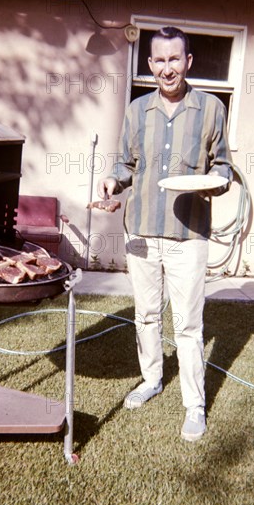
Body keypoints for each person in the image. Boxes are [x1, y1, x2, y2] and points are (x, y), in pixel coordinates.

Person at [98, 26, 233, 442]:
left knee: (189, 326)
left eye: (175, 59)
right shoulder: (137, 110)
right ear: (150, 64)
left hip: (188, 234)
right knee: (146, 316)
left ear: (188, 62)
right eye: (159, 60)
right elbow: (126, 164)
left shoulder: (211, 109)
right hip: (140, 231)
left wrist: (217, 182)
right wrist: (112, 182)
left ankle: (195, 405)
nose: (167, 68)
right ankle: (152, 379)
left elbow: (224, 167)